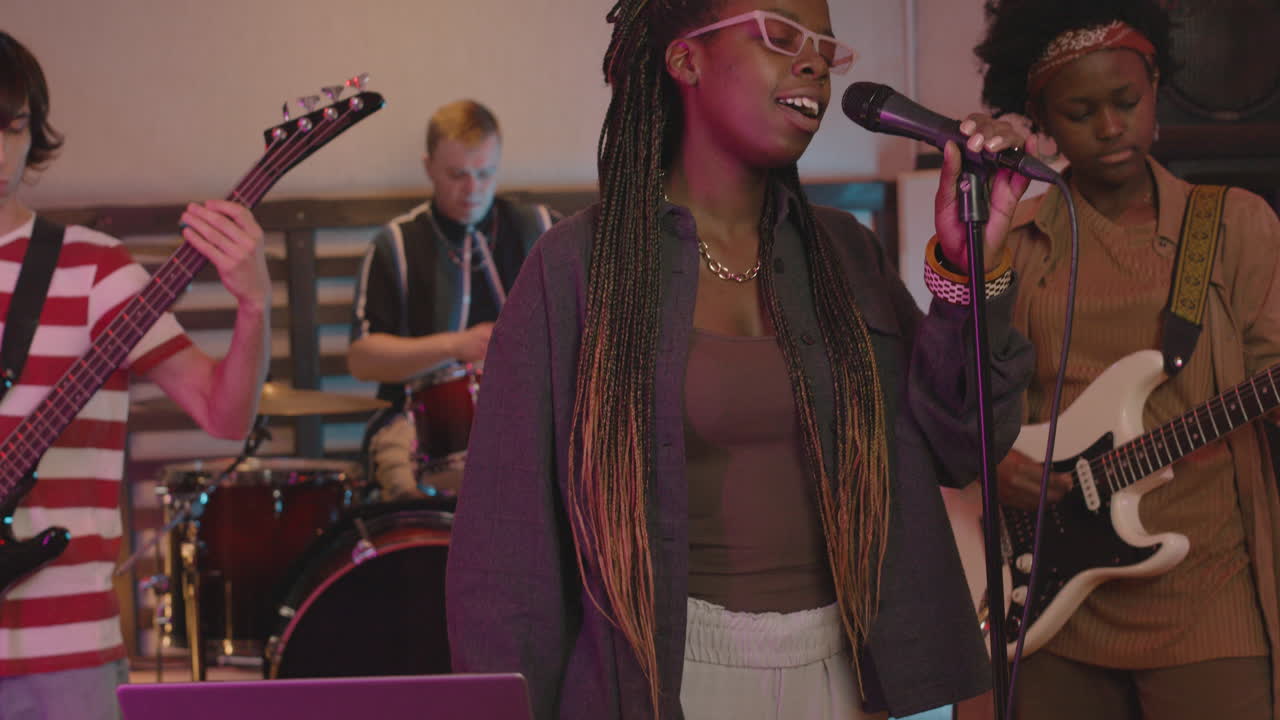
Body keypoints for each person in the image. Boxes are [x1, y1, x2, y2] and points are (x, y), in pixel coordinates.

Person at [445, 0, 1037, 717]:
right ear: (685, 59)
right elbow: (506, 554)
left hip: (860, 674)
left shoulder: (845, 252)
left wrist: (973, 264)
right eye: (780, 36)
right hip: (671, 678)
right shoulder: (577, 268)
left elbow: (963, 441)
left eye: (825, 45)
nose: (813, 62)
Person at [975, 1, 1280, 717]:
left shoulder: (1234, 223)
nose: (1111, 128)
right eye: (1081, 111)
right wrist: (989, 461)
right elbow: (955, 384)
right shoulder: (1016, 241)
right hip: (1047, 591)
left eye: (1126, 102)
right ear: (1041, 119)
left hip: (1210, 587)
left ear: (1157, 91)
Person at [0, 32, 270, 720]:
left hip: (68, 655)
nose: (3, 152)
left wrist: (254, 305)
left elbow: (224, 415)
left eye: (16, 127)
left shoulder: (95, 268)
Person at [347, 99, 557, 501]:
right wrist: (456, 346)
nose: (473, 189)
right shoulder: (396, 244)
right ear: (428, 167)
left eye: (485, 174)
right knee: (410, 499)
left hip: (530, 420)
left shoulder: (542, 229)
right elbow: (362, 359)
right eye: (457, 175)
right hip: (415, 425)